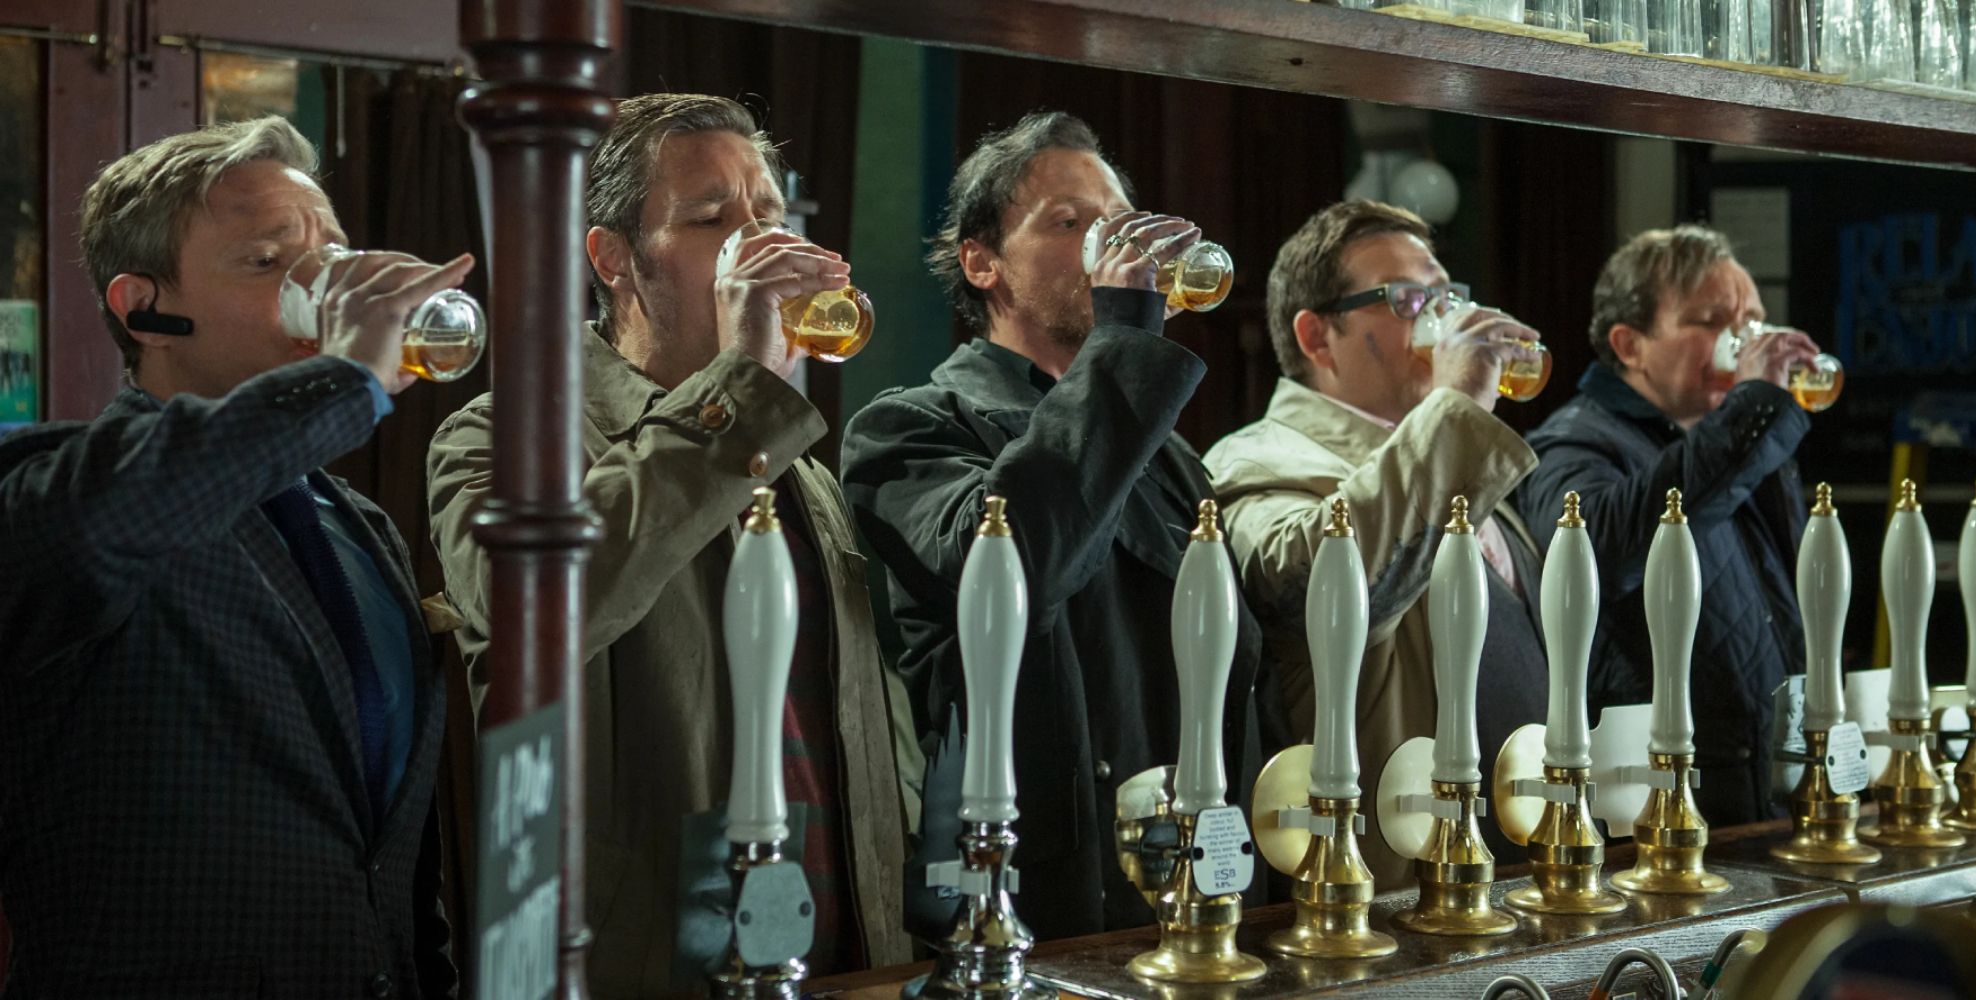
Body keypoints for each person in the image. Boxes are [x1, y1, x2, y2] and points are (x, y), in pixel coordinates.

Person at [427, 93, 916, 995]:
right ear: (613, 260)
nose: (757, 246)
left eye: (769, 215)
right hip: (644, 952)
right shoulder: (505, 437)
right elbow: (530, 611)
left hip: (846, 943)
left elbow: (856, 705)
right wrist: (741, 390)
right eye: (713, 219)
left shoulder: (794, 462)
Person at [0, 116, 462, 996]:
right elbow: (126, 513)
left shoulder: (358, 525)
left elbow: (393, 851)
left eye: (332, 253)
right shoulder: (55, 490)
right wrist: (355, 375)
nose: (326, 285)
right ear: (145, 308)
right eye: (269, 261)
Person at [840, 111, 1273, 941]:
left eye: (1113, 223)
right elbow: (1008, 564)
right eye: (1069, 222)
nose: (1107, 244)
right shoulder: (914, 429)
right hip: (1041, 905)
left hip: (1206, 893)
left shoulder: (1170, 457)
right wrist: (1125, 345)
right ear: (982, 261)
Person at [1205, 199, 1550, 876]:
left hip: (1518, 870)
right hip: (1388, 887)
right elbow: (1322, 592)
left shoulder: (1462, 458)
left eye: (1447, 294)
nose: (1442, 317)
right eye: (1409, 298)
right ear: (1315, 336)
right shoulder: (1255, 462)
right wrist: (1455, 409)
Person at [1518, 225, 1818, 825]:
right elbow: (1595, 551)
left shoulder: (1740, 436)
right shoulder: (1572, 442)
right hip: (1663, 802)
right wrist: (1753, 408)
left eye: (1752, 319)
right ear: (1629, 345)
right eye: (1711, 320)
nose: (1743, 338)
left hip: (1767, 786)